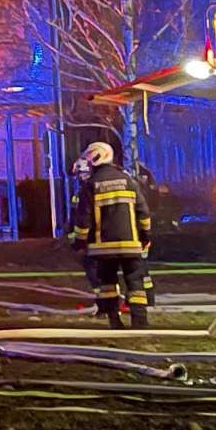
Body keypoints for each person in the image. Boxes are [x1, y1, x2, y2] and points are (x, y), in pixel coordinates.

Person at [70, 140, 154, 329]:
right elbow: (143, 212)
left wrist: (79, 242)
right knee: (135, 283)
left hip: (103, 248)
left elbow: (83, 219)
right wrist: (146, 236)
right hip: (131, 245)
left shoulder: (91, 185)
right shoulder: (128, 181)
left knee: (107, 284)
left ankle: (114, 322)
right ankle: (140, 322)